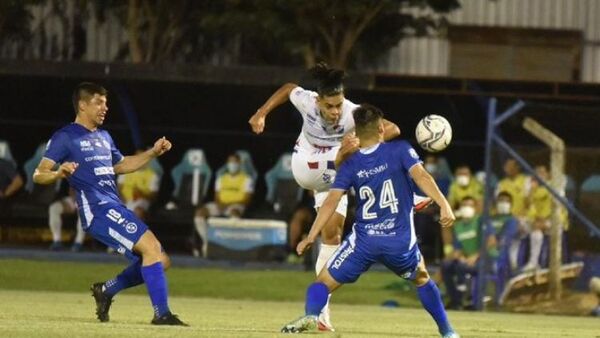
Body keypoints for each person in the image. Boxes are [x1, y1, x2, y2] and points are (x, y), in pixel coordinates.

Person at [249, 63, 405, 330]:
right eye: (329, 106)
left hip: (334, 172)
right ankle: (407, 199)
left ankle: (322, 314)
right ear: (318, 100)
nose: (335, 112)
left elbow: (393, 129)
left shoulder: (352, 113)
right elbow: (288, 89)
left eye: (339, 105)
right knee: (363, 160)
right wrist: (261, 113)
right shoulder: (307, 101)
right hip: (306, 166)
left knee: (332, 235)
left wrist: (360, 136)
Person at [280, 104, 459, 337]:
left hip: (364, 242)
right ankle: (448, 332)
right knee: (423, 278)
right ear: (381, 130)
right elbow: (422, 176)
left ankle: (312, 315)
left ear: (357, 134)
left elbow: (330, 202)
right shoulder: (400, 150)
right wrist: (444, 205)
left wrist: (311, 236)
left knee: (322, 282)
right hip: (398, 240)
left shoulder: (350, 165)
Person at [32, 82, 186, 326]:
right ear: (82, 105)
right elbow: (38, 174)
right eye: (99, 103)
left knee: (161, 260)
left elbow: (122, 165)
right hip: (97, 210)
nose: (105, 108)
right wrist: (59, 173)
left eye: (106, 103)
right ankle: (162, 314)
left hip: (114, 206)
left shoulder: (104, 136)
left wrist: (152, 152)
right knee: (152, 248)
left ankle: (107, 290)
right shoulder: (65, 137)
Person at [192, 152, 254, 257]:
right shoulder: (221, 178)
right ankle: (208, 241)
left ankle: (230, 244)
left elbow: (247, 199)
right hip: (221, 205)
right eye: (230, 162)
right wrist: (220, 204)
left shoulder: (247, 179)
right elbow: (216, 196)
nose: (232, 164)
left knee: (234, 212)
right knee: (200, 212)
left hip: (236, 205)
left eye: (234, 161)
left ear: (239, 163)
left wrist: (230, 204)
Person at [441, 196, 482, 310]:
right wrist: (459, 255)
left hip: (482, 259)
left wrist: (475, 256)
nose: (467, 208)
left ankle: (467, 299)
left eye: (470, 205)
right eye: (464, 205)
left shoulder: (480, 221)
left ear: (475, 208)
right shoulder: (458, 226)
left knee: (461, 267)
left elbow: (490, 242)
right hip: (465, 260)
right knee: (446, 265)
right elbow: (457, 246)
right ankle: (455, 300)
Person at [117, 150, 160, 220]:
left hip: (141, 202)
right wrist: (122, 200)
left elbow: (153, 197)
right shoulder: (125, 171)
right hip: (124, 200)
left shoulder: (153, 175)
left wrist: (142, 194)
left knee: (138, 211)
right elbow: (118, 189)